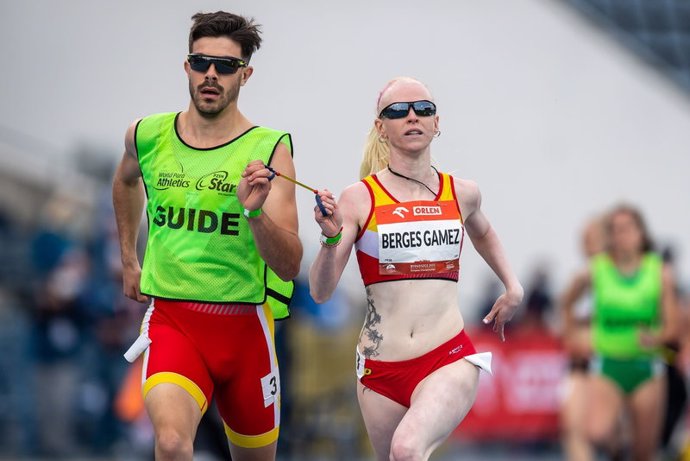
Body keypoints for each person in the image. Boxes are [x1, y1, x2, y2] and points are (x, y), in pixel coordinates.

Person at [111, 11, 302, 461]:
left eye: (226, 66)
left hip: (245, 331)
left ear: (245, 74)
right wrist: (128, 258)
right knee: (173, 444)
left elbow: (290, 263)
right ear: (187, 66)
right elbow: (124, 181)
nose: (211, 75)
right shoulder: (148, 135)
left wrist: (254, 215)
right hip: (174, 322)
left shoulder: (268, 149)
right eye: (201, 63)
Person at [308, 77, 523, 461]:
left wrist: (513, 285)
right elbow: (321, 291)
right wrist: (329, 238)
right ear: (380, 127)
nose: (412, 117)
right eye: (398, 111)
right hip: (380, 370)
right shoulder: (359, 198)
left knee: (406, 450)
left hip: (447, 355)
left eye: (423, 109)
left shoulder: (461, 191)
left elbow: (484, 232)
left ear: (436, 122)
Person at [560, 204, 680, 461]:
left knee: (644, 451)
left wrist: (656, 338)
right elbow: (567, 300)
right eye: (616, 230)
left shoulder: (658, 272)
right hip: (608, 364)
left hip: (646, 367)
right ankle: (617, 441)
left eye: (628, 229)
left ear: (641, 234)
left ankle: (626, 436)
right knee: (595, 431)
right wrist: (572, 333)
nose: (622, 235)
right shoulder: (596, 269)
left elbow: (674, 327)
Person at [559, 216, 606, 461]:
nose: (587, 244)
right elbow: (565, 308)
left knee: (604, 433)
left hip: (606, 361)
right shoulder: (581, 277)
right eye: (584, 239)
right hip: (580, 363)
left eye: (593, 239)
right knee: (573, 429)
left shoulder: (614, 277)